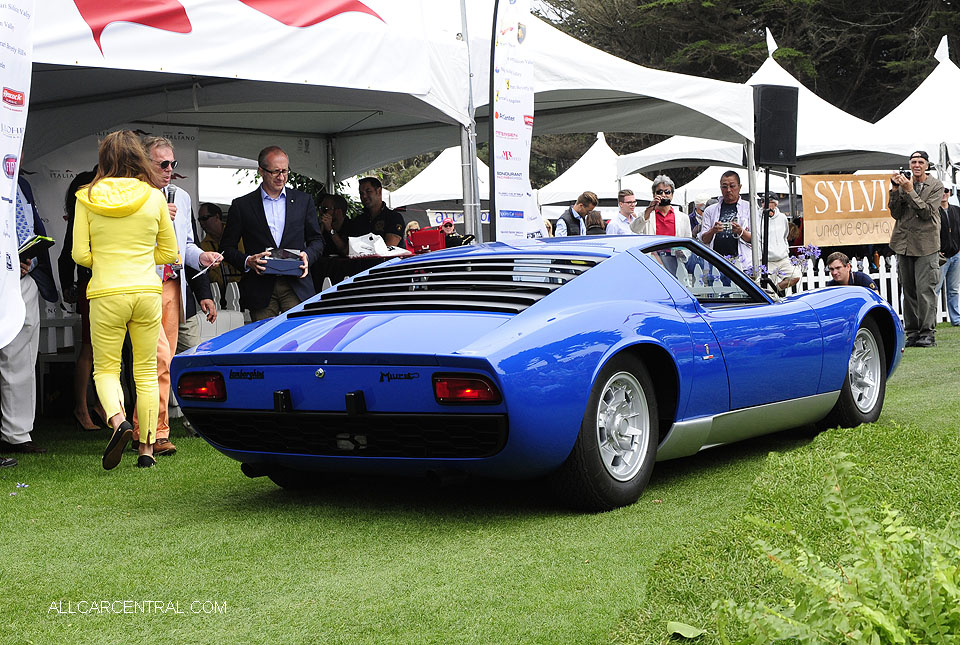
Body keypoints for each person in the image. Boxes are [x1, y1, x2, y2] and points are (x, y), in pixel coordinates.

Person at [72, 130, 180, 469]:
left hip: (106, 291)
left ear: (105, 159)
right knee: (146, 371)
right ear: (138, 158)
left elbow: (79, 254)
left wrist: (106, 258)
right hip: (147, 290)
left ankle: (118, 421)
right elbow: (170, 252)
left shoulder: (85, 196)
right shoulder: (154, 197)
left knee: (106, 369)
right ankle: (147, 450)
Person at [133, 136, 221, 456]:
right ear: (145, 164)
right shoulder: (134, 196)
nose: (170, 170)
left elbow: (186, 244)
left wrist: (203, 259)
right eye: (163, 164)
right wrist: (155, 217)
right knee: (154, 359)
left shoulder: (181, 197)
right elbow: (128, 243)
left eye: (173, 164)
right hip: (143, 285)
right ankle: (154, 434)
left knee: (164, 362)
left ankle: (148, 429)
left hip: (173, 285)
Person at [221, 146, 324, 321]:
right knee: (263, 342)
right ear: (261, 171)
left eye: (285, 171)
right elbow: (226, 248)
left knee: (297, 338)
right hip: (260, 288)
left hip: (296, 283)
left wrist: (308, 255)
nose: (281, 177)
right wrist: (248, 261)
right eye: (275, 172)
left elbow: (317, 240)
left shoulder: (303, 201)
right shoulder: (242, 205)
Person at [0, 175, 59, 458]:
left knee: (22, 358)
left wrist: (29, 261)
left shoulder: (22, 184)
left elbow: (31, 230)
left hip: (25, 281)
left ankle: (17, 434)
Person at [58, 167, 107, 431]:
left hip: (108, 283)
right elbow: (67, 255)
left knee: (107, 350)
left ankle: (101, 405)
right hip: (92, 286)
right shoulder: (80, 213)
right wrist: (70, 287)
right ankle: (81, 408)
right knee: (89, 348)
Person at [889, 150, 943, 347]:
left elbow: (927, 212)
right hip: (903, 243)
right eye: (913, 162)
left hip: (926, 245)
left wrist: (910, 190)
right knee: (908, 290)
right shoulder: (903, 183)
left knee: (925, 291)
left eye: (920, 162)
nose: (916, 165)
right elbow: (896, 213)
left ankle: (927, 333)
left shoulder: (936, 186)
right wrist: (895, 190)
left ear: (927, 165)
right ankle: (912, 332)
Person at [698, 170, 753, 267]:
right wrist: (713, 231)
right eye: (724, 186)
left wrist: (740, 231)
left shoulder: (749, 208)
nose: (728, 190)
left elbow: (756, 239)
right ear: (720, 188)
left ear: (739, 187)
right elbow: (704, 239)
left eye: (732, 186)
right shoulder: (710, 210)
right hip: (716, 263)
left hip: (742, 264)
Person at [197, 202, 242, 308]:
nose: (202, 223)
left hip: (246, 287)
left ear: (217, 216)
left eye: (205, 218)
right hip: (222, 294)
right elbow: (211, 274)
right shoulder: (203, 246)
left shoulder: (238, 235)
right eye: (199, 220)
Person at [342, 176, 404, 247]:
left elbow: (389, 248)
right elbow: (349, 248)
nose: (364, 196)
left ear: (379, 191)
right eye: (361, 193)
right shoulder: (359, 220)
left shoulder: (393, 217)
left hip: (387, 258)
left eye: (368, 191)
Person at [757, 194, 801, 290]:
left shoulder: (782, 217)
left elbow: (785, 235)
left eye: (769, 201)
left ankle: (776, 289)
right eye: (763, 201)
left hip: (782, 258)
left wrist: (784, 250)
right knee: (766, 288)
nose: (765, 204)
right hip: (767, 260)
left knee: (796, 276)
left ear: (775, 204)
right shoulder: (757, 217)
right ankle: (773, 293)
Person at [937, 182, 960, 326]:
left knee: (954, 290)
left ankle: (956, 319)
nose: (944, 193)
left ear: (949, 193)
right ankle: (930, 320)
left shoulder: (956, 210)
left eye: (946, 191)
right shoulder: (934, 211)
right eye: (941, 191)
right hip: (940, 256)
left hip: (956, 255)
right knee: (935, 289)